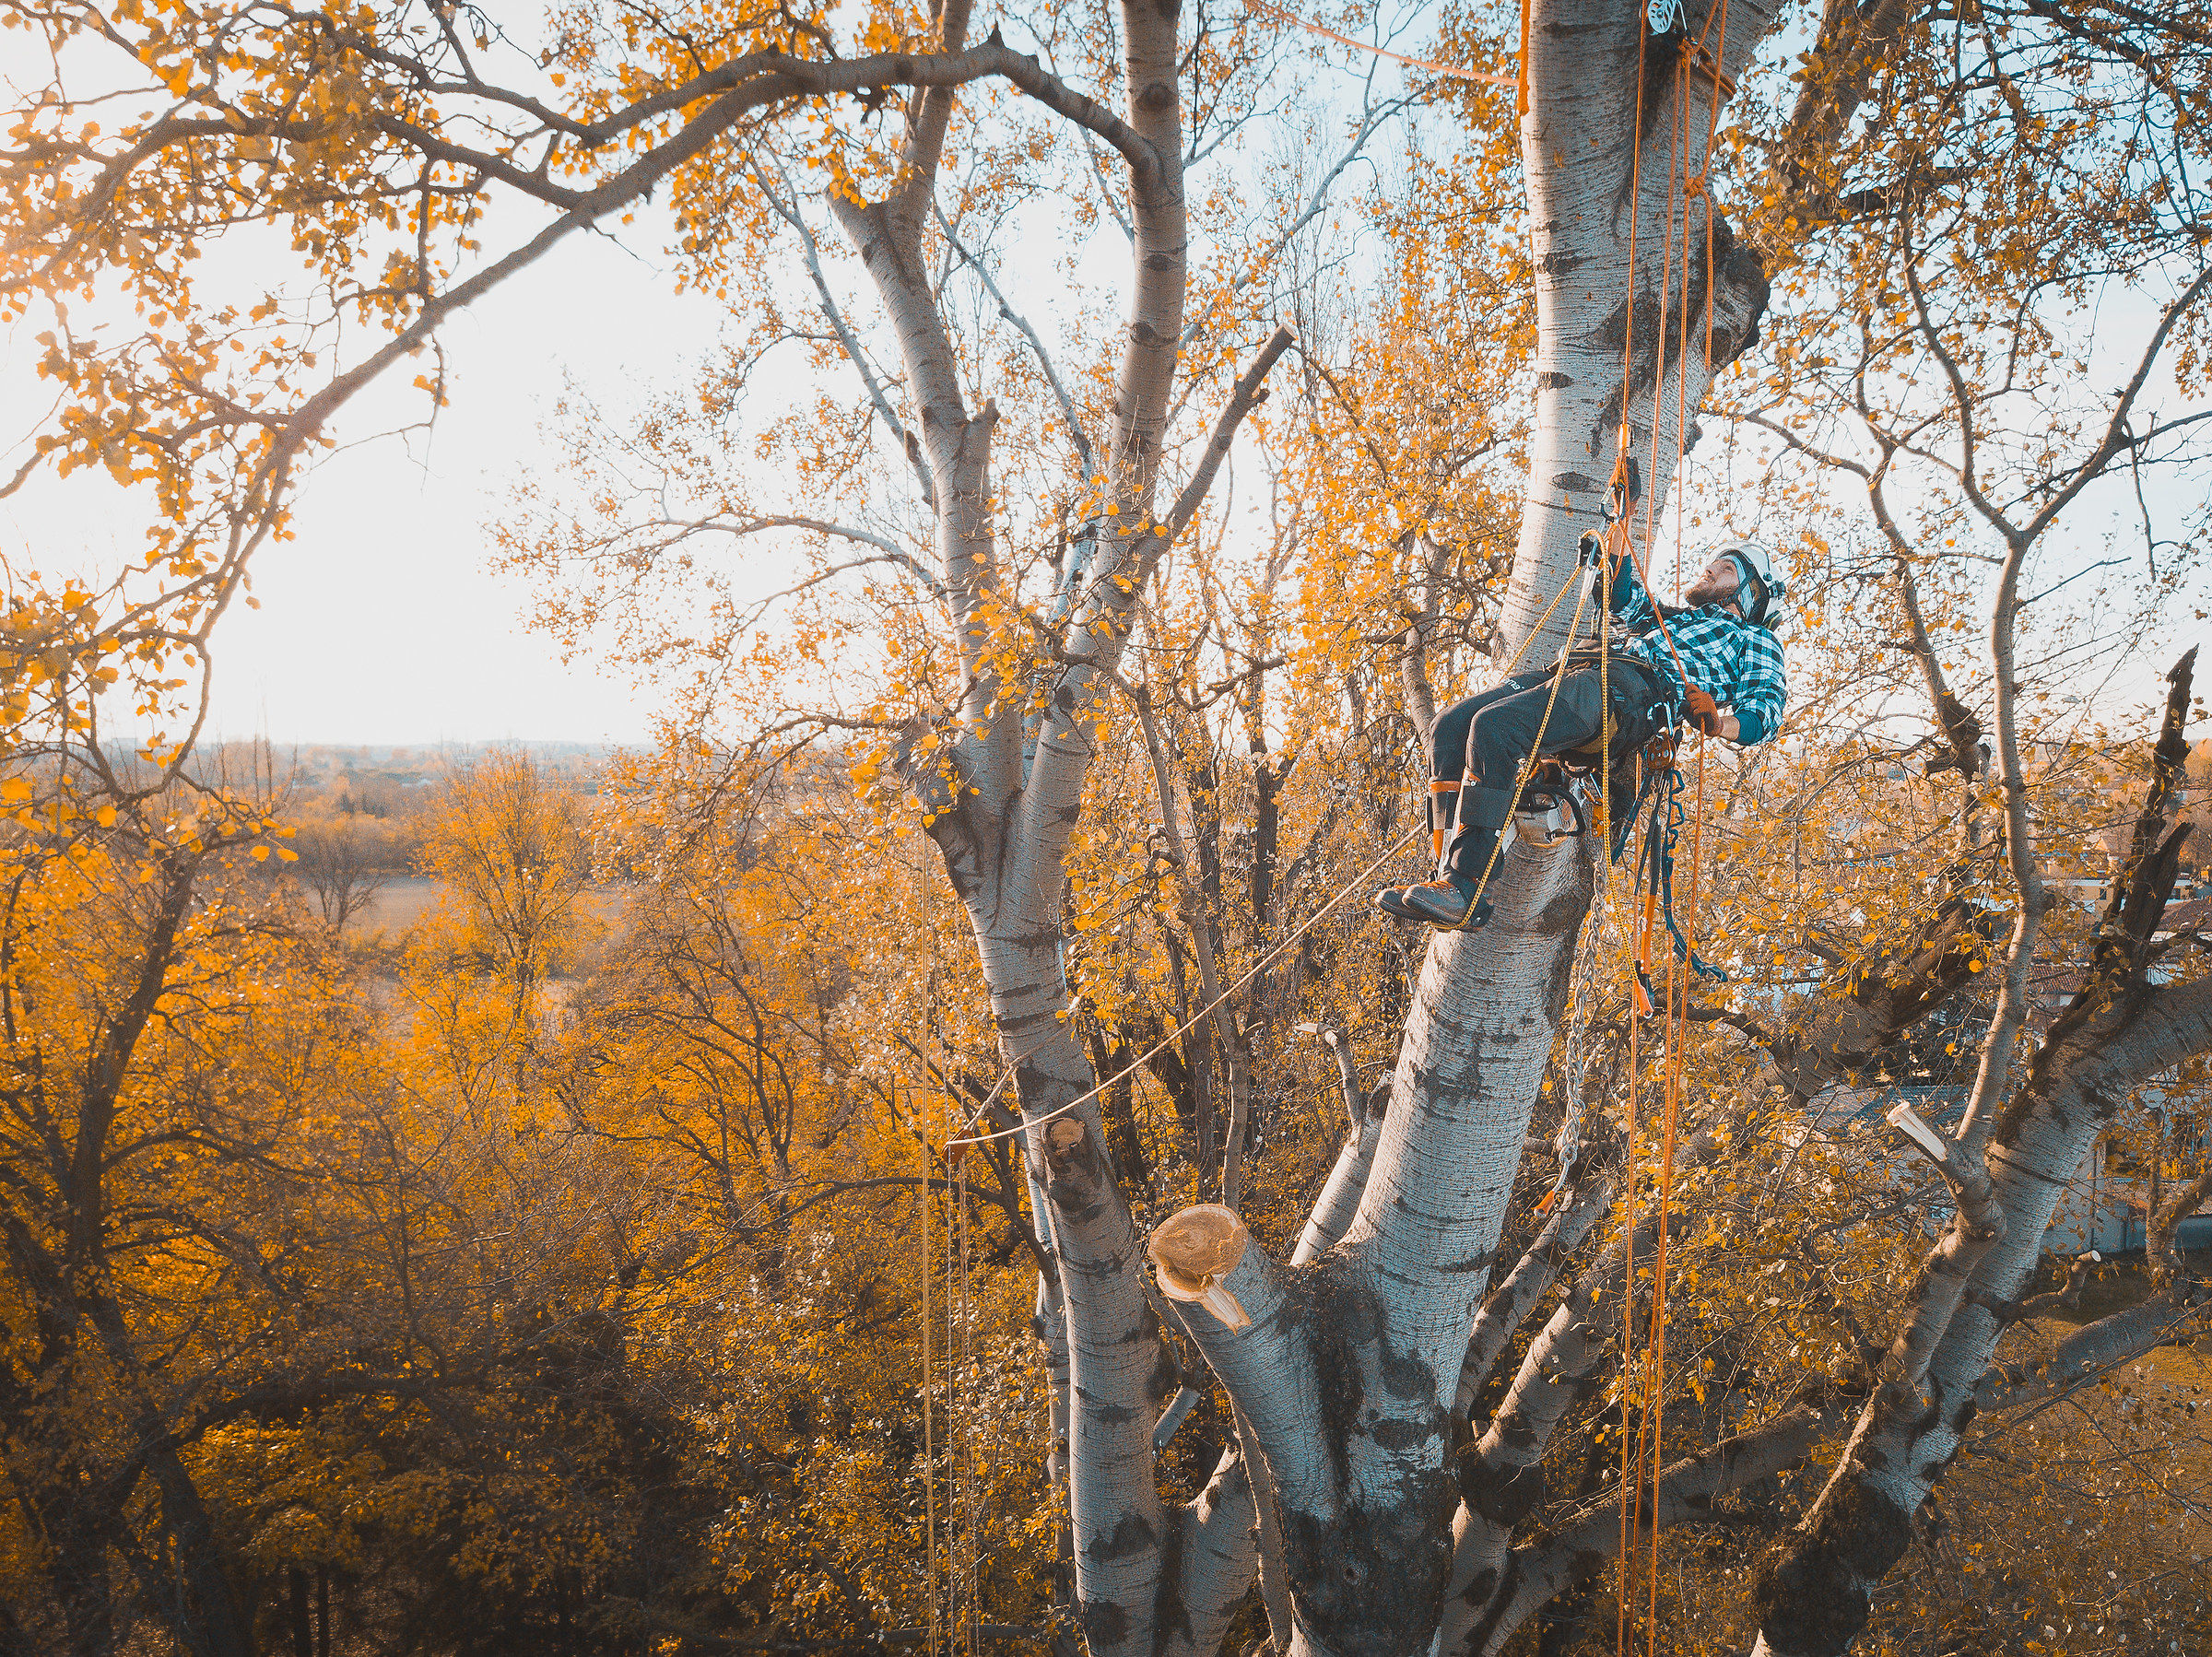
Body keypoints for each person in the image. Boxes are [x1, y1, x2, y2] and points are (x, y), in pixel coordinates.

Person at [1378, 538, 1789, 930]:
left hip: (1631, 693)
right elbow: (1624, 598)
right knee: (1449, 727)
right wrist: (1620, 523)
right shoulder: (1678, 620)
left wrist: (1719, 723)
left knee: (1494, 728)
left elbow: (1766, 710)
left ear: (1751, 593)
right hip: (1579, 670)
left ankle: (1465, 887)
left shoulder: (1755, 640)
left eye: (1729, 566)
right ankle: (1443, 877)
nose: (1711, 566)